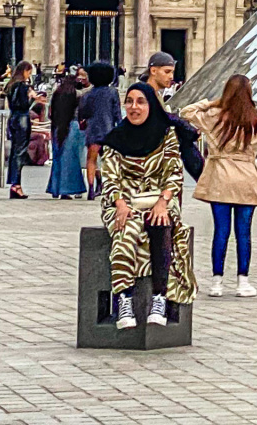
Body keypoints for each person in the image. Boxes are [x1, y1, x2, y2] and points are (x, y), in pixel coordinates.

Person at [99, 84, 196, 329]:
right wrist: (120, 204)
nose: (134, 107)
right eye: (129, 101)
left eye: (141, 101)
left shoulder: (166, 135)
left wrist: (163, 202)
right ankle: (124, 299)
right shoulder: (115, 139)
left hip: (158, 198)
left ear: (151, 105)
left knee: (161, 220)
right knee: (126, 230)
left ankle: (159, 298)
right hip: (123, 201)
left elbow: (174, 173)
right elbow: (110, 177)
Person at [178, 75, 257, 298]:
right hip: (246, 177)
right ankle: (243, 281)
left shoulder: (214, 115)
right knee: (243, 232)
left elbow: (185, 112)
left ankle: (217, 282)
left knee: (221, 230)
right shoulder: (255, 117)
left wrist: (210, 103)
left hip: (220, 176)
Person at [146, 53, 202, 183]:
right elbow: (162, 117)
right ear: (153, 71)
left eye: (172, 72)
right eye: (167, 72)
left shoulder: (154, 93)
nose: (171, 77)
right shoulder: (145, 92)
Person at [77, 64, 123, 200]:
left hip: (93, 129)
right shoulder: (112, 92)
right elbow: (117, 113)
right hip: (108, 129)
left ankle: (91, 188)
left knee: (91, 160)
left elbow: (83, 113)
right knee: (108, 161)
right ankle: (109, 187)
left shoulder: (87, 95)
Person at [45, 77, 87, 199]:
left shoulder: (56, 93)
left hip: (57, 127)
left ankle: (55, 188)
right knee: (71, 160)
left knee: (58, 159)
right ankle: (67, 189)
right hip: (72, 126)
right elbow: (82, 112)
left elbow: (50, 113)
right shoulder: (78, 94)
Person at [4, 61, 34, 198]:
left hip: (13, 118)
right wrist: (31, 98)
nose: (29, 75)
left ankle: (14, 183)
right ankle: (16, 185)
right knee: (20, 153)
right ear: (25, 71)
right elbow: (23, 105)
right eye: (29, 72)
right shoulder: (22, 86)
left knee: (15, 152)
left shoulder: (11, 85)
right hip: (22, 119)